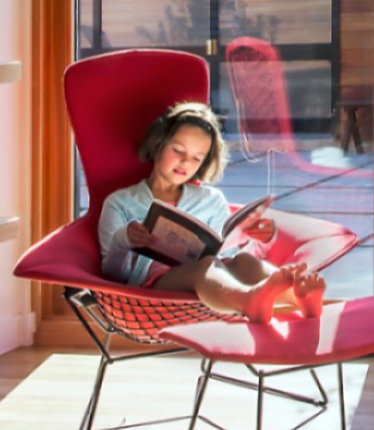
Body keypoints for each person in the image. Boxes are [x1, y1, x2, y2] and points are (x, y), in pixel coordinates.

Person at [96, 101, 324, 319]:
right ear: (158, 144)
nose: (186, 163)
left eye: (196, 158)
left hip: (212, 288)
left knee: (243, 260)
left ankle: (297, 295)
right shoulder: (121, 202)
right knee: (205, 266)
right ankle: (250, 300)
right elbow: (112, 275)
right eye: (178, 150)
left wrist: (253, 238)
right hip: (151, 287)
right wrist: (124, 239)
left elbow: (224, 256)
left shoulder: (211, 199)